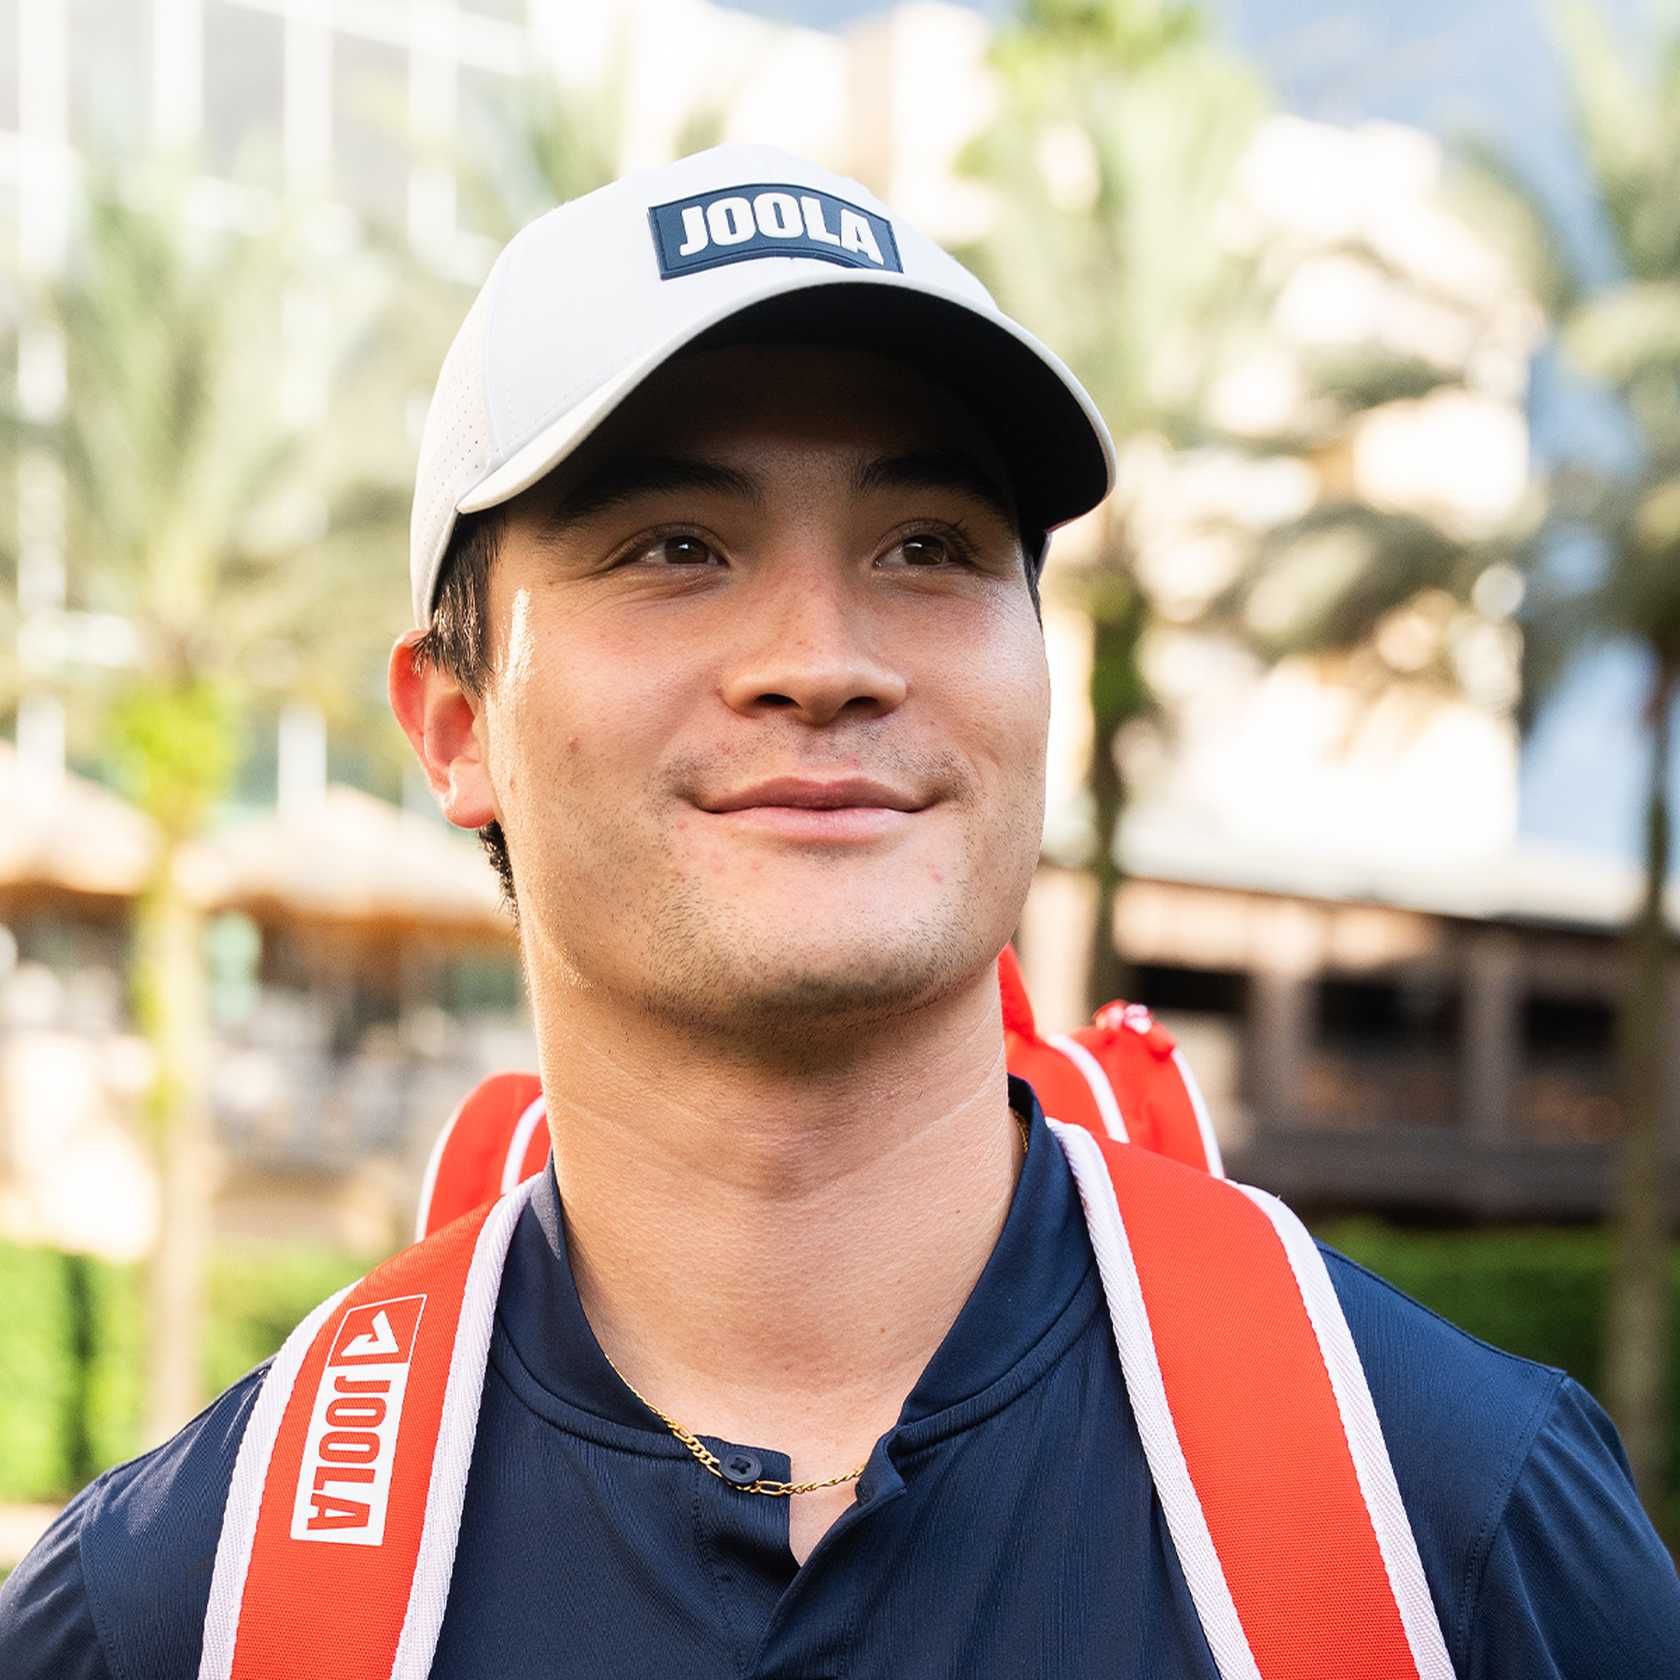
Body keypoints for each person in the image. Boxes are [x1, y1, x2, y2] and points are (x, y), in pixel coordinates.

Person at [3, 141, 1677, 1680]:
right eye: (673, 544)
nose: (823, 659)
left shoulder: (1452, 1520)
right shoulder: (183, 1605)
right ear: (455, 726)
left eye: (929, 545)